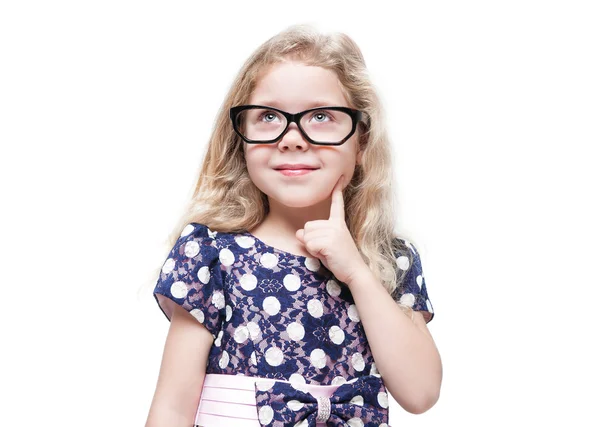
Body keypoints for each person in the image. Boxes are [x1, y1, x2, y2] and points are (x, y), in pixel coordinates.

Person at [145, 24, 442, 427]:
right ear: (242, 139)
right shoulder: (211, 253)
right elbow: (172, 408)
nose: (292, 137)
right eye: (269, 116)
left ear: (362, 142)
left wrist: (356, 271)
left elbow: (421, 392)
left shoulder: (390, 260)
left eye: (320, 116)